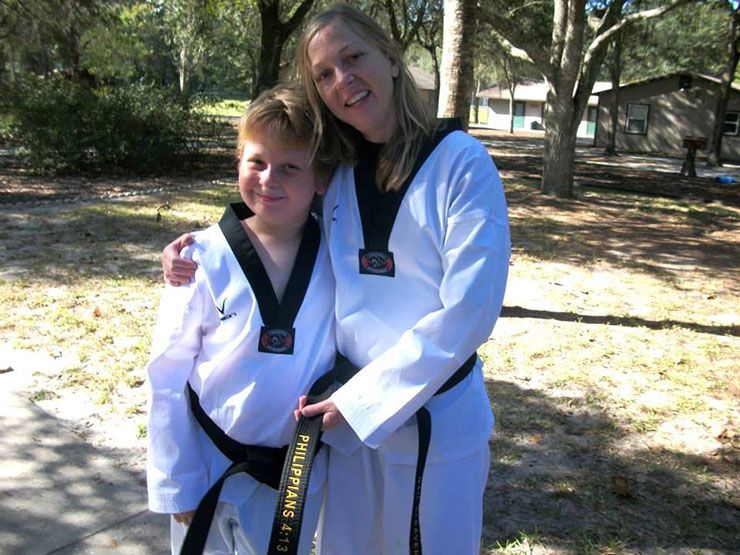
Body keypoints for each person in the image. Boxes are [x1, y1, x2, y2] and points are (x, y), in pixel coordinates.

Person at [163, 4, 511, 554]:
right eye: (323, 74)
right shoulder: (340, 171)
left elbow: (471, 310)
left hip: (434, 428)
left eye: (353, 58)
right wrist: (199, 250)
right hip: (344, 433)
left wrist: (364, 400)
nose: (342, 80)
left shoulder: (461, 164)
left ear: (391, 58)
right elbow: (276, 210)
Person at [147, 84, 338, 555]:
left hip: (291, 474)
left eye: (290, 167)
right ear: (238, 163)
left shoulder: (338, 259)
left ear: (320, 177)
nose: (269, 179)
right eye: (257, 162)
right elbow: (166, 375)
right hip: (208, 465)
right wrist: (177, 481)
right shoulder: (200, 259)